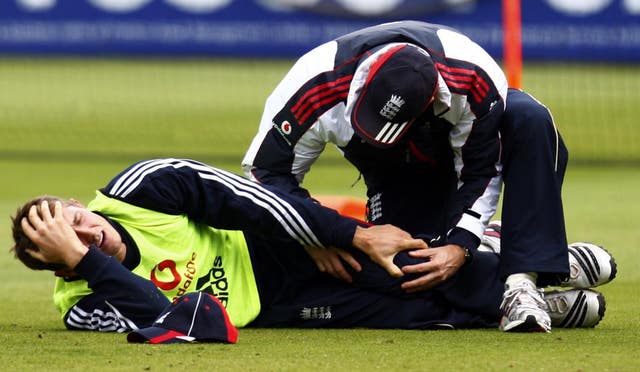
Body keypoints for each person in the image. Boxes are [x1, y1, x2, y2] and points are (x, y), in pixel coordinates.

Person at [241, 21, 617, 332]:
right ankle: (511, 247)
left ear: (432, 97)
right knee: (407, 271)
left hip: (453, 149)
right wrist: (314, 233)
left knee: (527, 119)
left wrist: (461, 245)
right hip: (388, 169)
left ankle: (522, 279)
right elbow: (264, 173)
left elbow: (481, 173)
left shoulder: (472, 76)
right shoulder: (313, 84)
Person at [11, 158, 608, 334]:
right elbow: (176, 323)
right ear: (62, 267)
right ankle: (534, 302)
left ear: (83, 204)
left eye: (76, 218)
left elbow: (242, 198)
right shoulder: (82, 305)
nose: (88, 233)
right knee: (404, 314)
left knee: (396, 265)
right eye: (67, 245)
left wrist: (325, 234)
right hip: (271, 310)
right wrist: (88, 263)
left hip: (267, 246)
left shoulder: (137, 189)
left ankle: (533, 269)